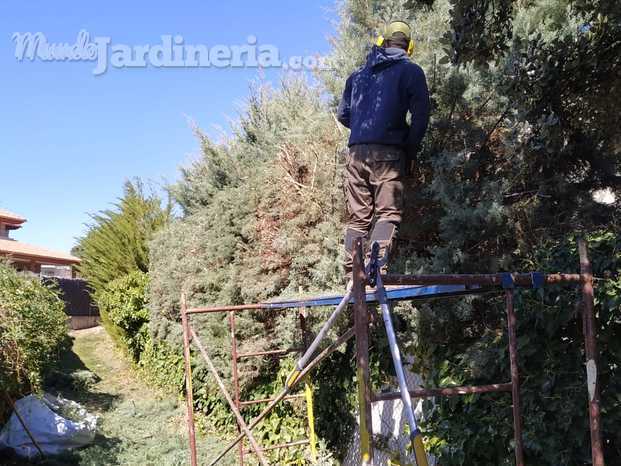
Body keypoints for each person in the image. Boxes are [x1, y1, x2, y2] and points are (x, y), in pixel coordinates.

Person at [337, 20, 430, 278]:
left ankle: (352, 274)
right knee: (387, 213)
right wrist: (409, 149)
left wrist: (364, 130)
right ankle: (375, 267)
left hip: (355, 153)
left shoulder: (356, 76)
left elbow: (344, 115)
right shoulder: (411, 71)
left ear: (382, 42)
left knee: (358, 219)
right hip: (389, 152)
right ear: (408, 47)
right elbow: (421, 117)